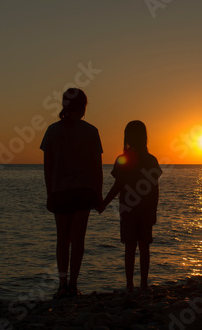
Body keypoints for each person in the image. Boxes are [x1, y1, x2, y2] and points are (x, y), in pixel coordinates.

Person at [40, 88, 103, 298]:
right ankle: (73, 285)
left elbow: (47, 168)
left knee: (62, 239)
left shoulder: (52, 131)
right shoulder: (91, 131)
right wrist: (99, 194)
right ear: (83, 106)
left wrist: (50, 193)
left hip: (60, 191)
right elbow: (97, 167)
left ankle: (62, 284)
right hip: (84, 190)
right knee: (78, 239)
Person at [99, 120, 162, 292]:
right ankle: (143, 283)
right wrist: (154, 210)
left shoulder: (123, 159)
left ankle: (129, 285)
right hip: (146, 208)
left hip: (128, 208)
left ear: (127, 137)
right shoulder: (151, 159)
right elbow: (155, 188)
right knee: (144, 247)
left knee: (130, 247)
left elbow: (118, 185)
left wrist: (104, 203)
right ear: (145, 137)